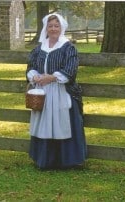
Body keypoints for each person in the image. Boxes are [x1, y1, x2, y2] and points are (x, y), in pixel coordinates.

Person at [26, 13, 87, 170]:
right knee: (44, 124)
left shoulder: (68, 48)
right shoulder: (39, 49)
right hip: (42, 94)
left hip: (62, 92)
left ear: (62, 28)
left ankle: (67, 161)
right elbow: (30, 67)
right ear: (46, 28)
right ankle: (45, 160)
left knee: (62, 124)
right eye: (50, 26)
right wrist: (35, 77)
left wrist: (51, 78)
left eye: (56, 26)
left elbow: (70, 71)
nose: (53, 29)